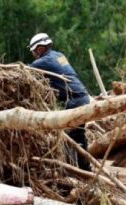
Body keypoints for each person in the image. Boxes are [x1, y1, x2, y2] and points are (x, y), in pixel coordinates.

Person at [28, 33, 91, 171]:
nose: (33, 54)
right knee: (78, 135)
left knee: (68, 139)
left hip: (74, 101)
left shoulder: (43, 62)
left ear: (39, 48)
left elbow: (24, 73)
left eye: (33, 51)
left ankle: (74, 171)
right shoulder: (59, 55)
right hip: (82, 97)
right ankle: (85, 169)